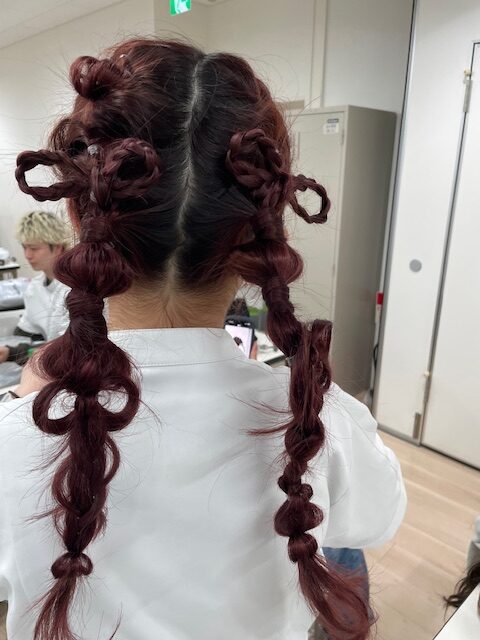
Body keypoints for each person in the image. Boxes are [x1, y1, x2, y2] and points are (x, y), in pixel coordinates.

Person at [0, 39, 406, 640]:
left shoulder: (15, 438)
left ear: (79, 217)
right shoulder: (322, 423)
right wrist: (325, 396)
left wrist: (20, 401)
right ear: (259, 235)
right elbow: (376, 521)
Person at [0, 211, 70, 365]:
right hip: (50, 362)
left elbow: (71, 349)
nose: (27, 255)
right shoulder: (35, 288)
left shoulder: (75, 289)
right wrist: (10, 352)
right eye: (24, 247)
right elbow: (27, 333)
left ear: (57, 247)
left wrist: (15, 353)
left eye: (34, 248)